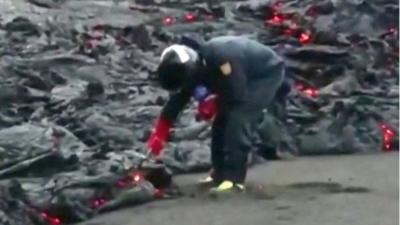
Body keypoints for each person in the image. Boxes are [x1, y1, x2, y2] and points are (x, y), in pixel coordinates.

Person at [146, 35, 286, 193]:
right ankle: (219, 174)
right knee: (219, 123)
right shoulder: (189, 69)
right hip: (235, 78)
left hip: (264, 74)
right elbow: (177, 101)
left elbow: (236, 93)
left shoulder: (222, 59)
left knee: (238, 120)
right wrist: (159, 133)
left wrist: (213, 103)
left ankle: (234, 180)